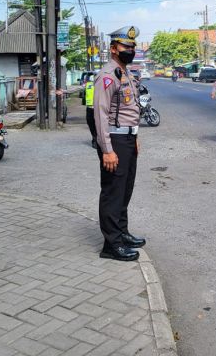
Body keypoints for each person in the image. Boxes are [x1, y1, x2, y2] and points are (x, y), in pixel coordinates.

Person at [93, 25, 146, 262]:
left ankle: (121, 233)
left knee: (125, 189)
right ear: (113, 49)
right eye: (126, 46)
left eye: (132, 47)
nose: (130, 50)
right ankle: (111, 245)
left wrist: (134, 136)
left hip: (127, 139)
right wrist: (107, 150)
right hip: (113, 140)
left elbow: (130, 110)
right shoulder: (107, 76)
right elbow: (100, 115)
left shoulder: (125, 73)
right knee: (113, 192)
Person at [84, 71, 98, 149]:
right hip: (89, 109)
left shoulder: (101, 85)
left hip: (98, 109)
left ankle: (95, 141)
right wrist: (64, 91)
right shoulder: (88, 85)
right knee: (91, 124)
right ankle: (94, 138)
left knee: (97, 125)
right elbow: (77, 88)